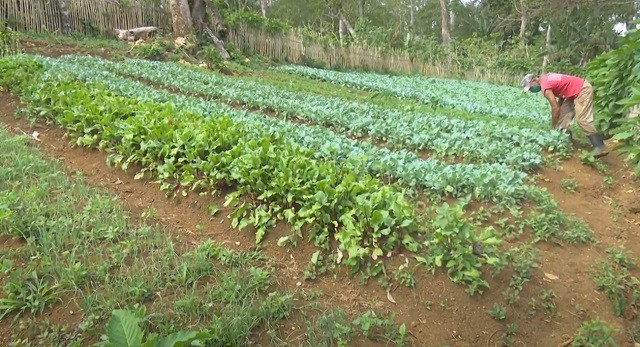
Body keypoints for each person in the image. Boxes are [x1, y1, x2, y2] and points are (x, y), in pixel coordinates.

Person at [521, 73, 609, 158]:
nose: (532, 90)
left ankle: (600, 146)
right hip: (573, 92)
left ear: (534, 80)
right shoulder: (547, 78)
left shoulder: (545, 85)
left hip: (582, 90)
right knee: (562, 116)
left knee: (582, 120)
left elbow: (555, 108)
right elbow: (562, 91)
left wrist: (552, 127)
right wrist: (559, 107)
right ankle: (567, 141)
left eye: (531, 87)